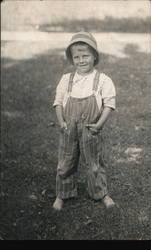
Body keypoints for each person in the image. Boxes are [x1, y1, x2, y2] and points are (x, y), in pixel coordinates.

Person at [52, 31, 116, 211]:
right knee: (66, 161)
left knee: (94, 162)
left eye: (85, 56)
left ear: (94, 56)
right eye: (76, 57)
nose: (81, 60)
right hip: (69, 127)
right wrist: (62, 122)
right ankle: (62, 194)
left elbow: (109, 105)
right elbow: (58, 102)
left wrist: (99, 125)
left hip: (91, 128)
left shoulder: (102, 80)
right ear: (72, 59)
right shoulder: (67, 79)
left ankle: (100, 193)